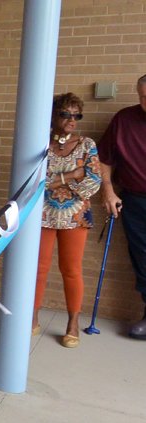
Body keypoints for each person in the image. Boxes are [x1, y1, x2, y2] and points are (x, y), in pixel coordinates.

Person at [31, 93, 101, 348]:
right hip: (42, 215)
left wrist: (58, 180)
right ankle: (33, 317)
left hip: (75, 216)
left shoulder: (86, 145)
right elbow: (37, 181)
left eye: (76, 115)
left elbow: (93, 182)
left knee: (71, 270)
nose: (72, 120)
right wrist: (73, 174)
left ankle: (72, 323)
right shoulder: (40, 143)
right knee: (38, 268)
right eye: (65, 114)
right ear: (53, 116)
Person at [97, 74, 146, 340]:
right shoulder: (124, 119)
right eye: (144, 97)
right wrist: (108, 189)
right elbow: (104, 157)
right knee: (142, 257)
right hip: (136, 200)